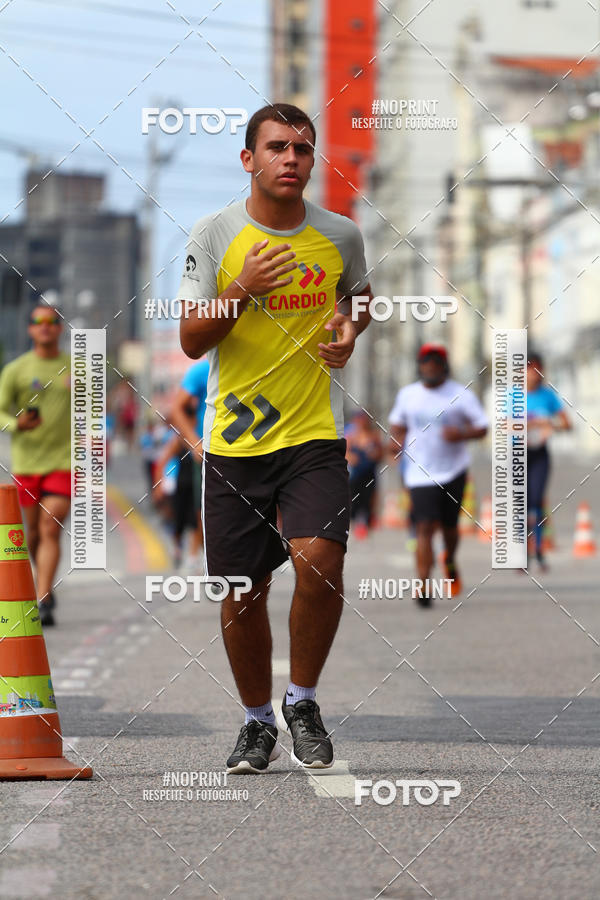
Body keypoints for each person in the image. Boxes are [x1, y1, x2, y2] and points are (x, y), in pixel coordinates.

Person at [177, 103, 372, 773]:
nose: (292, 158)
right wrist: (240, 288)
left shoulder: (340, 234)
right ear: (249, 159)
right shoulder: (216, 232)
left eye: (303, 148)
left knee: (321, 560)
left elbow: (360, 296)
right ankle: (257, 722)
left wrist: (350, 329)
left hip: (312, 435)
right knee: (242, 590)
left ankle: (303, 701)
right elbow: (190, 339)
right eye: (278, 147)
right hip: (234, 444)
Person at [388, 344, 488, 607]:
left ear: (444, 366)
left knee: (449, 528)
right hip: (419, 472)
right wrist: (394, 441)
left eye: (435, 363)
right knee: (424, 526)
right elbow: (397, 425)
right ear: (420, 366)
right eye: (425, 363)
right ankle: (422, 585)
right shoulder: (408, 394)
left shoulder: (460, 394)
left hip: (453, 470)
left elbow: (482, 427)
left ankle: (450, 559)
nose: (430, 367)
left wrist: (462, 435)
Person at [0, 305, 71, 626]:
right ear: (30, 329)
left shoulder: (77, 367)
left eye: (51, 322)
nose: (45, 327)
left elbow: (95, 412)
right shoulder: (15, 370)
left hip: (64, 461)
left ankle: (43, 598)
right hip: (27, 462)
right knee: (31, 535)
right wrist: (17, 425)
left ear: (60, 329)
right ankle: (42, 585)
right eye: (38, 322)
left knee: (49, 525)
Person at [526, 352, 571, 570]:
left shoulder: (548, 396)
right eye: (529, 369)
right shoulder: (511, 396)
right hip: (517, 454)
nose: (534, 375)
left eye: (537, 369)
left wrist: (550, 424)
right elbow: (501, 425)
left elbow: (566, 424)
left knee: (536, 501)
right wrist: (529, 426)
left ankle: (539, 549)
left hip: (540, 454)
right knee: (520, 505)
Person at [168, 358, 210, 566]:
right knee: (203, 510)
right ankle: (203, 558)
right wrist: (195, 443)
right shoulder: (203, 369)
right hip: (211, 453)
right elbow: (176, 408)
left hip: (255, 448)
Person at [345, 410, 383, 539]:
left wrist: (374, 454)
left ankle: (366, 522)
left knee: (368, 499)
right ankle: (356, 522)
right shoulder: (351, 436)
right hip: (355, 475)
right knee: (355, 499)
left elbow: (381, 453)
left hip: (369, 473)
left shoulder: (373, 435)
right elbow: (345, 453)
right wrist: (351, 457)